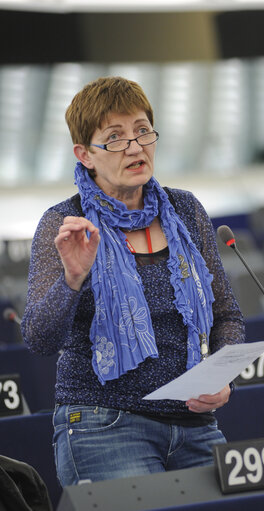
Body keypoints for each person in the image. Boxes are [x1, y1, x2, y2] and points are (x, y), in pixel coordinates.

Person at [21, 76, 245, 488]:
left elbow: (226, 315)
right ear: (85, 154)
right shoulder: (65, 224)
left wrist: (221, 377)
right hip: (103, 424)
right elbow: (38, 339)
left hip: (194, 423)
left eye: (142, 131)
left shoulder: (185, 210)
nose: (136, 146)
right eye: (116, 137)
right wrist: (72, 278)